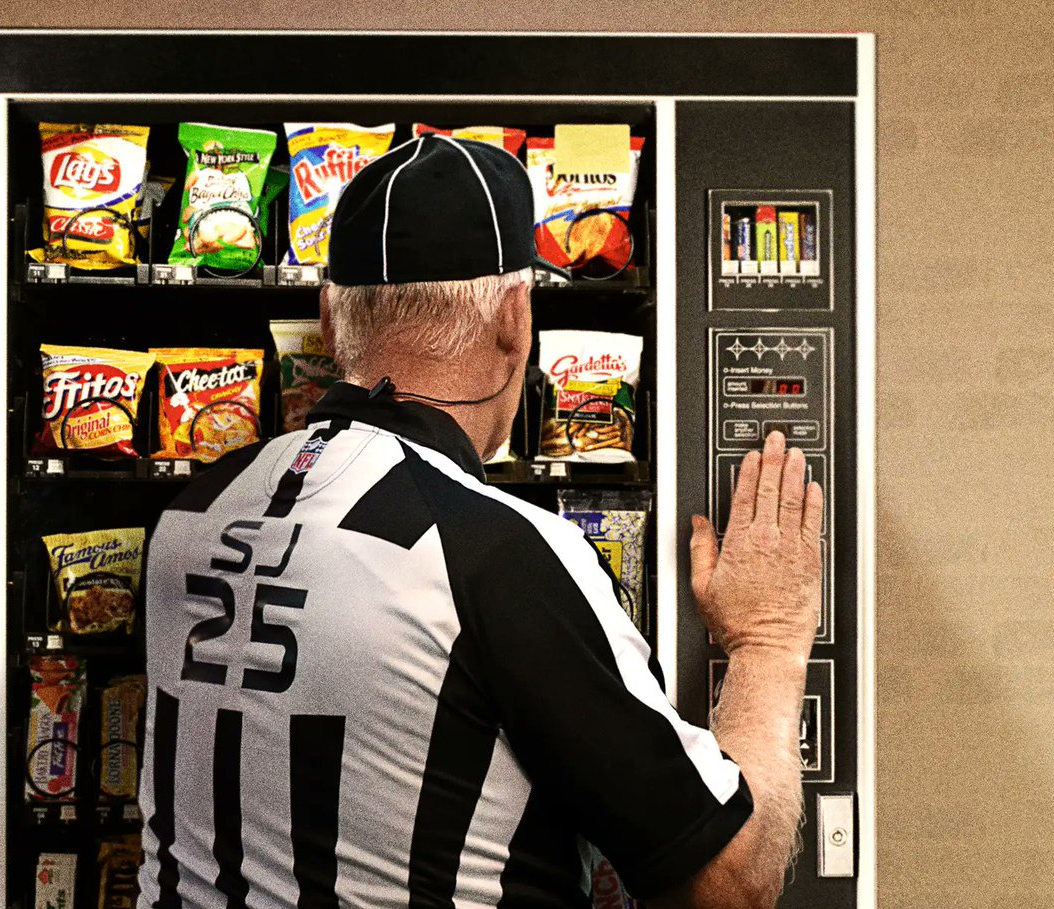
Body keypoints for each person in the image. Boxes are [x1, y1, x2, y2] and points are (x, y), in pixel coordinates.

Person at [137, 134, 823, 909]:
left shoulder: (187, 514)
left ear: (328, 318)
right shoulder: (497, 555)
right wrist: (767, 636)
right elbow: (729, 885)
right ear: (513, 316)